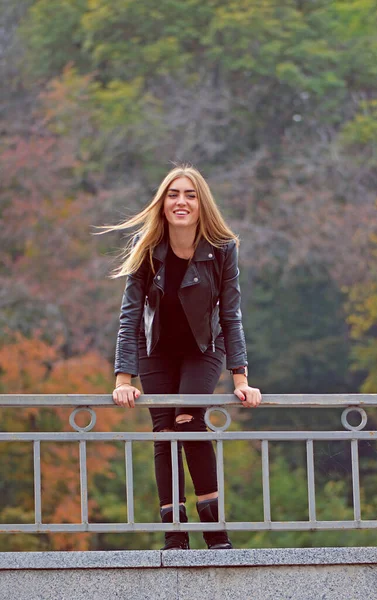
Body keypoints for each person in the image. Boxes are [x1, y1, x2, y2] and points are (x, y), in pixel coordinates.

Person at [104, 164, 261, 550]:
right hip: (155, 351)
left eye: (190, 195)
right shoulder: (148, 247)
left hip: (204, 349)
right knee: (165, 433)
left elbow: (230, 314)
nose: (181, 201)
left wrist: (241, 378)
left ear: (200, 202)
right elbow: (130, 316)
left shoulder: (223, 248)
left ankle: (216, 534)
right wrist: (124, 379)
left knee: (189, 422)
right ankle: (174, 535)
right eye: (174, 194)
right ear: (163, 203)